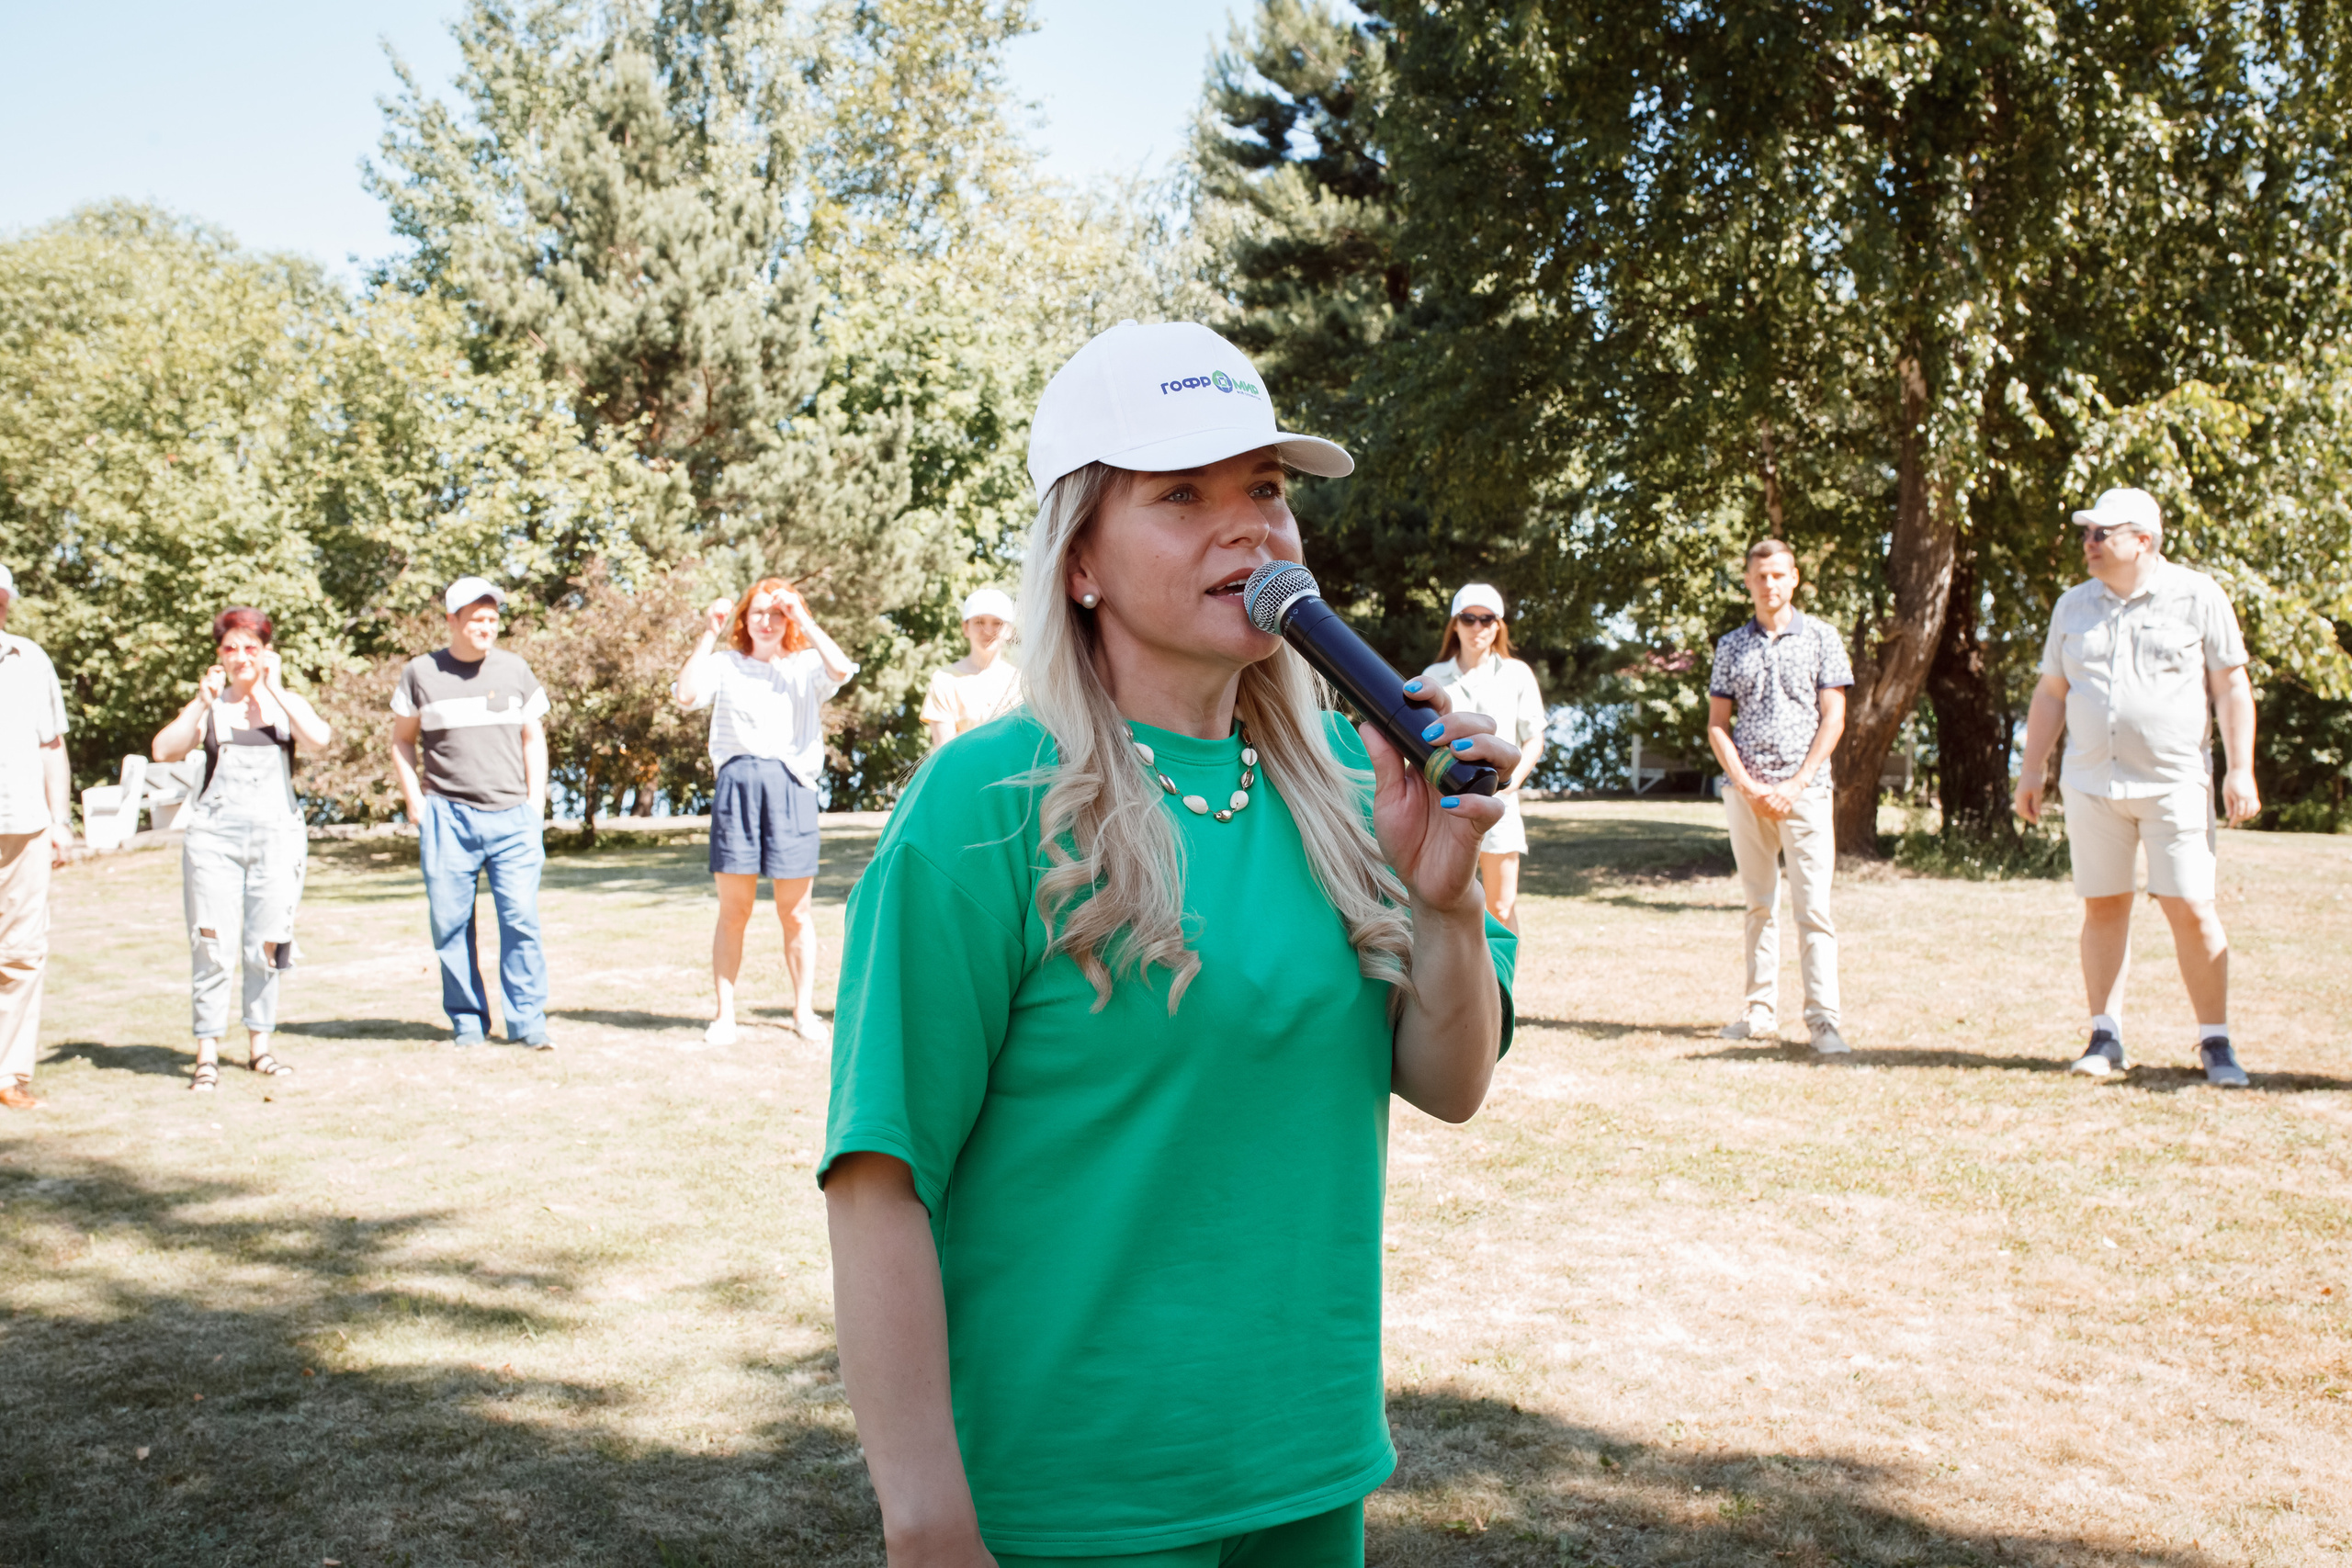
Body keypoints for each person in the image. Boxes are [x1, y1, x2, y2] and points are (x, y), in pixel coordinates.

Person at [820, 320, 1519, 1568]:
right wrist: (927, 1523)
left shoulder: (1369, 794)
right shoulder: (982, 809)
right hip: (1067, 1500)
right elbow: (880, 1180)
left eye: (1265, 488)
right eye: (1182, 495)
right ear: (1080, 556)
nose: (1248, 527)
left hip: (1306, 1469)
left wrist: (1448, 901)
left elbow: (1450, 1085)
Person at [2013, 487, 2259, 1086]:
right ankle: (2105, 1035)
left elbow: (2231, 686)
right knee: (2103, 906)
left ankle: (2215, 1042)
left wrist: (2240, 767)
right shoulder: (2073, 607)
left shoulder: (2199, 596)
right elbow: (2051, 693)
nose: (2088, 544)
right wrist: (2032, 767)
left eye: (2101, 533)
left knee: (2191, 907)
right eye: (2086, 534)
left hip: (2175, 783)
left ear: (2142, 540)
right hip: (2092, 783)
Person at [152, 607, 334, 1089]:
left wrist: (274, 688)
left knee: (268, 943)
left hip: (278, 839)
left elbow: (320, 738)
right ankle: (207, 1051)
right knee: (211, 945)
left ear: (266, 652)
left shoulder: (283, 705)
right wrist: (199, 703)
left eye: (250, 647)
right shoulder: (211, 707)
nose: (240, 657)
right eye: (230, 647)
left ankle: (260, 1047)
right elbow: (163, 750)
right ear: (219, 655)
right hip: (215, 842)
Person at [675, 578, 857, 1048]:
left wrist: (804, 618)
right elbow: (686, 693)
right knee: (733, 911)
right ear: (743, 619)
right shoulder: (725, 664)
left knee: (795, 913)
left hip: (792, 788)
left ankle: (803, 1011)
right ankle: (724, 1015)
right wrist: (707, 632)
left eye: (778, 613)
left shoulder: (804, 666)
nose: (768, 621)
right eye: (758, 612)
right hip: (737, 787)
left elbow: (841, 669)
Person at [390, 578, 555, 1050]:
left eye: (492, 619)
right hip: (448, 817)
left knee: (521, 919)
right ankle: (467, 1022)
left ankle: (528, 1023)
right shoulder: (420, 673)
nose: (486, 627)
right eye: (476, 619)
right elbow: (402, 739)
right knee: (451, 924)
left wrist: (535, 802)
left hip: (512, 817)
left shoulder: (515, 669)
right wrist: (415, 800)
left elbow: (532, 737)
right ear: (452, 621)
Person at [1704, 539, 1853, 1056]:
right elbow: (1718, 726)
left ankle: (1823, 1020)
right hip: (1746, 794)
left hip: (1806, 792)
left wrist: (1796, 783)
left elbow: (1833, 716)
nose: (1769, 584)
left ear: (1795, 579)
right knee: (1758, 905)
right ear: (1747, 581)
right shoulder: (1731, 646)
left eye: (1778, 575)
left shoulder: (1822, 638)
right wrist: (1747, 785)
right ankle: (1759, 1011)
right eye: (1760, 575)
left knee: (1813, 909)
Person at [1419, 583, 1546, 931]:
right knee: (1448, 906)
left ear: (1499, 625)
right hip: (1448, 803)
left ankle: (1504, 987)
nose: (1478, 627)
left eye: (1487, 619)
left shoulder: (1517, 674)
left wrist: (1511, 784)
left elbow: (1535, 737)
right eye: (1469, 618)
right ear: (1455, 625)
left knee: (1502, 908)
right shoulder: (1433, 677)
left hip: (1501, 803)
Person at [0, 563, 72, 1111]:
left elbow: (52, 746)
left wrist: (61, 820)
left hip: (25, 826)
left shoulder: (30, 660)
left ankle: (9, 1075)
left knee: (21, 954)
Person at [920, 587, 1019, 749]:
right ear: (965, 628)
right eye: (979, 622)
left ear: (1009, 630)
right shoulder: (945, 680)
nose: (988, 630)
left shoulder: (1022, 682)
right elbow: (946, 753)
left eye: (997, 623)